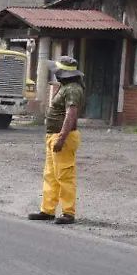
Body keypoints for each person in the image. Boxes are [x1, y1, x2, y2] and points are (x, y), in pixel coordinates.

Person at [29, 56, 86, 225]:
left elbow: (71, 114)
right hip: (53, 136)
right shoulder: (66, 87)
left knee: (64, 176)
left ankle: (68, 213)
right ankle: (47, 210)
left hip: (63, 138)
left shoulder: (73, 89)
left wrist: (61, 138)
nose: (55, 74)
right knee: (51, 175)